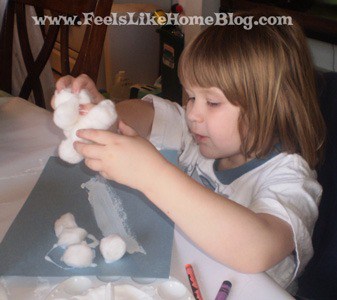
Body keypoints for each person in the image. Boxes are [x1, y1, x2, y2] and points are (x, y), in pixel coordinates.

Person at [52, 10, 326, 291]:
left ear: (271, 105)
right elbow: (147, 114)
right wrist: (102, 114)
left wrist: (152, 175)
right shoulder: (199, 136)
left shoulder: (289, 179)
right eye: (192, 96)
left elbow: (257, 248)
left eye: (213, 102)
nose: (193, 112)